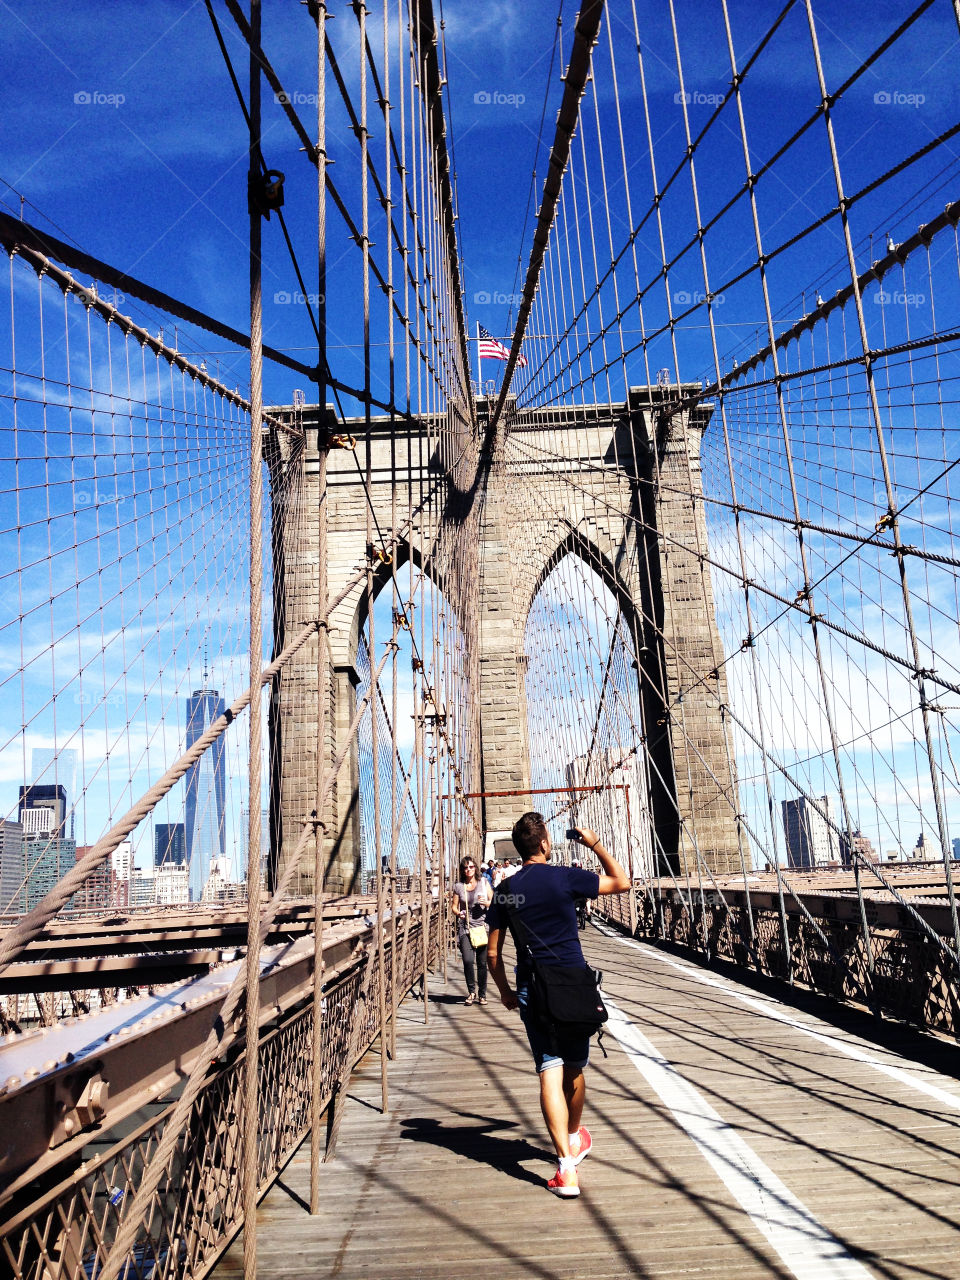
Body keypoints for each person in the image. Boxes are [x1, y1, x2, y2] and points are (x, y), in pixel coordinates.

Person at [487, 811, 630, 1198]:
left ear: (518, 849)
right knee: (575, 1069)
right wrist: (594, 842)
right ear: (546, 844)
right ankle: (574, 1137)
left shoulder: (506, 891)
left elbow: (494, 954)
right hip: (574, 986)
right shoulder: (565, 876)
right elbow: (622, 882)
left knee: (548, 1071)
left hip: (534, 987)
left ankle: (565, 1168)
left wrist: (503, 991)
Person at [451, 854, 492, 1005]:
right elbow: (454, 907)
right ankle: (471, 992)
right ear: (462, 870)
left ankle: (482, 994)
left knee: (482, 963)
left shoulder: (483, 883)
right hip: (465, 928)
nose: (468, 869)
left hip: (482, 927)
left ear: (475, 867)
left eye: (471, 866)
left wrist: (486, 903)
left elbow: (493, 902)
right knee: (468, 961)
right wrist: (458, 913)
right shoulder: (458, 887)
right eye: (465, 867)